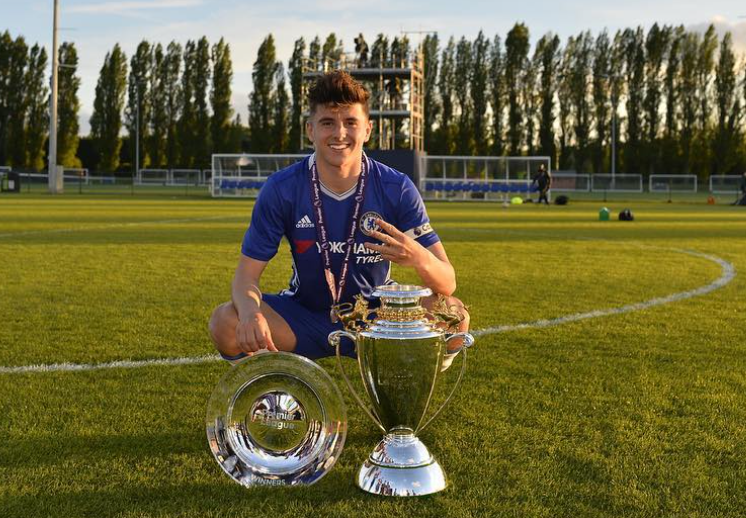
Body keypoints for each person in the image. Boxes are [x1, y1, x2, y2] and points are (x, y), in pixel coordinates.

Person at [209, 70, 469, 364]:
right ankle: (274, 385)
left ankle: (411, 375)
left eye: (350, 123)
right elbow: (246, 276)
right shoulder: (283, 188)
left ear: (368, 130)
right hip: (304, 315)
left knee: (452, 315)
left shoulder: (396, 188)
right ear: (310, 130)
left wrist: (417, 257)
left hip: (377, 317)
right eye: (327, 123)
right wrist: (250, 314)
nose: (339, 133)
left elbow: (448, 282)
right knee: (225, 322)